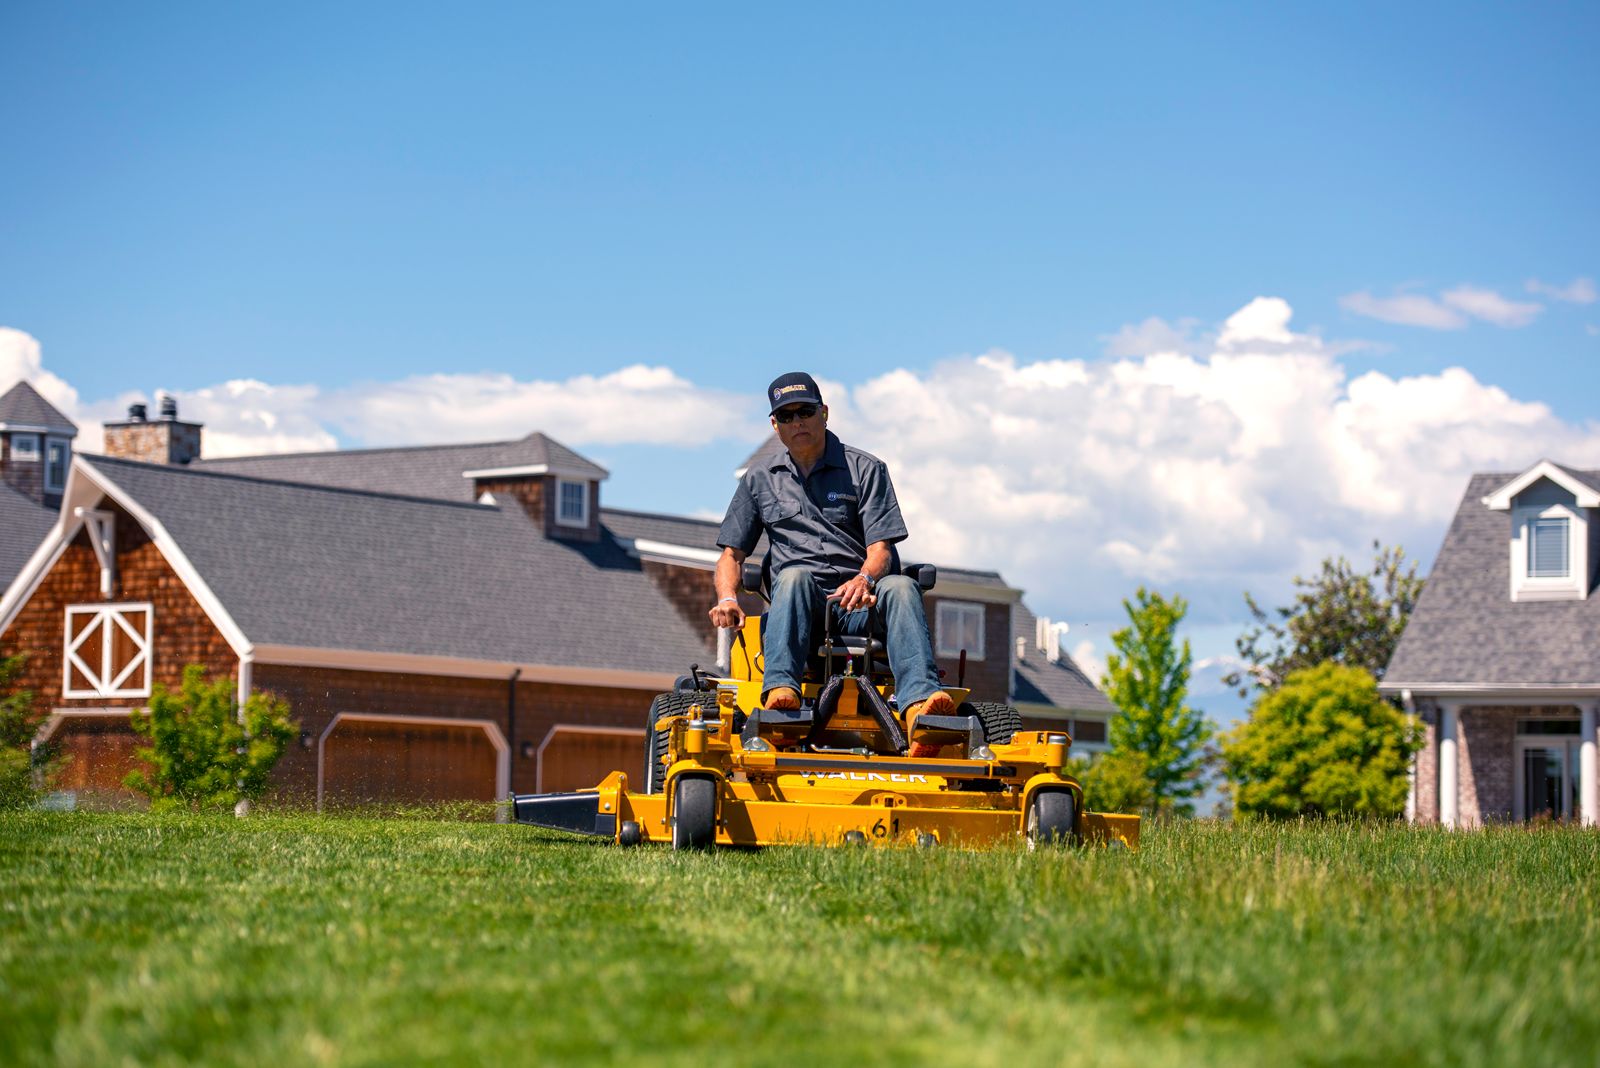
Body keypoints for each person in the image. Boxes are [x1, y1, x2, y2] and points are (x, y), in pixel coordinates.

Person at [709, 371, 956, 753]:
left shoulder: (865, 470)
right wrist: (727, 597)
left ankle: (920, 711)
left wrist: (864, 579)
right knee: (791, 577)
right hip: (800, 609)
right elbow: (731, 554)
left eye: (805, 411)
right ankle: (780, 696)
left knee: (903, 584)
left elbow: (881, 551)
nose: (798, 422)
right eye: (787, 416)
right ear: (775, 426)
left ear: (824, 413)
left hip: (862, 604)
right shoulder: (760, 478)